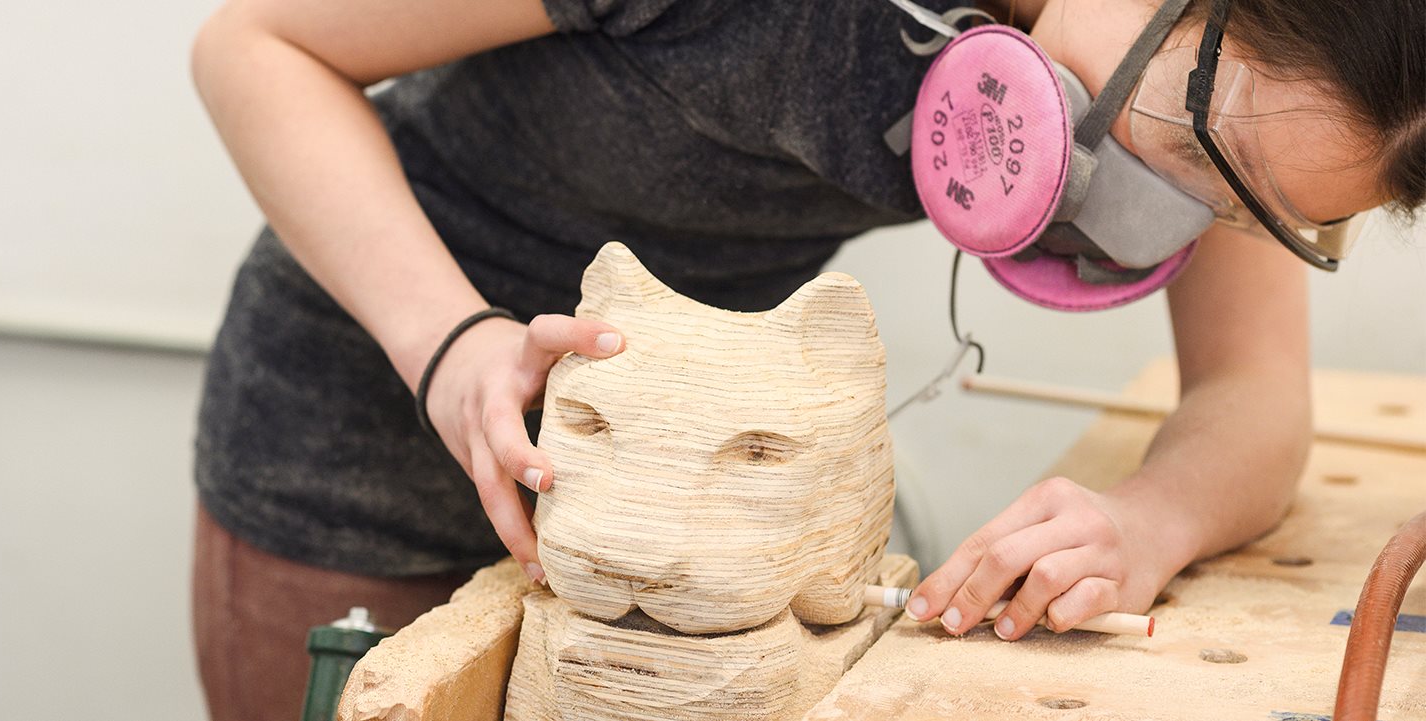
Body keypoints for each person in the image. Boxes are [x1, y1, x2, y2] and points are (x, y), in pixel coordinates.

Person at [186, 0, 1425, 717]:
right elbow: (259, 45)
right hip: (369, 419)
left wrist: (1146, 520)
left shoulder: (1242, 96)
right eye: (1201, 152)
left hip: (695, 499)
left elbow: (1253, 396)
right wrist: (450, 346)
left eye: (1243, 205)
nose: (1172, 208)